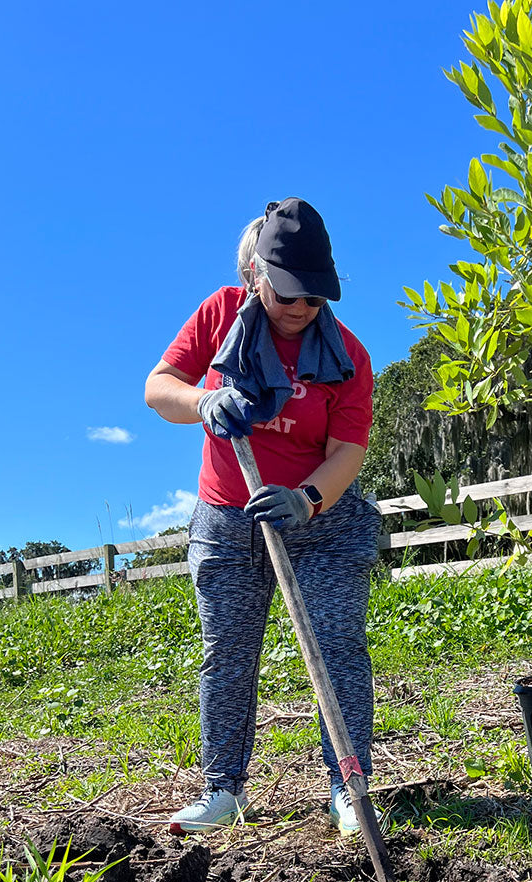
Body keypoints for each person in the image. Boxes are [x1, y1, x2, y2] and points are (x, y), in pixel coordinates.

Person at [144, 198, 381, 835]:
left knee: (336, 649)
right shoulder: (221, 314)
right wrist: (205, 399)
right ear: (257, 276)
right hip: (228, 515)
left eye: (314, 297)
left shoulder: (348, 356)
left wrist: (306, 499)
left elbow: (347, 450)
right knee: (228, 654)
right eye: (286, 295)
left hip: (319, 519)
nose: (301, 310)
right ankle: (223, 790)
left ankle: (347, 787)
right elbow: (157, 388)